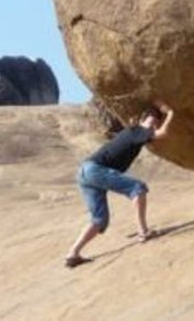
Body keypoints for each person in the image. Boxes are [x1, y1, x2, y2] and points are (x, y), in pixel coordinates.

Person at [64, 101, 174, 268]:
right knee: (138, 188)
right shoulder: (138, 130)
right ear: (145, 120)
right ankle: (143, 232)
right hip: (95, 170)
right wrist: (171, 113)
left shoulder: (133, 131)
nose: (152, 123)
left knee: (99, 220)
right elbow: (163, 134)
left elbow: (153, 134)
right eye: (151, 120)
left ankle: (73, 253)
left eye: (154, 120)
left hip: (84, 172)